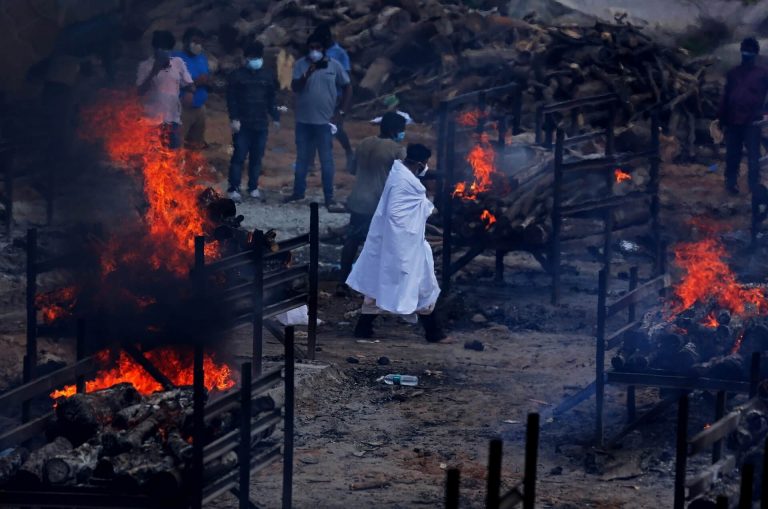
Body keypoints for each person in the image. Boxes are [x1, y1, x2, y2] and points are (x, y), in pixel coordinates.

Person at [346, 144, 446, 342]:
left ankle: (364, 329)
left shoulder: (400, 174)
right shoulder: (405, 182)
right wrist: (426, 208)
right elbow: (397, 215)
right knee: (423, 285)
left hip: (397, 241)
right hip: (402, 244)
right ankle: (434, 334)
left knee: (382, 284)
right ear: (420, 163)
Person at [337, 112, 407, 296]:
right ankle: (375, 285)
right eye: (402, 130)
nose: (403, 133)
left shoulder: (364, 143)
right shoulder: (397, 150)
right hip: (377, 203)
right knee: (380, 245)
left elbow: (352, 169)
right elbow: (405, 179)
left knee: (352, 241)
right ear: (395, 130)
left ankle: (342, 281)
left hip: (357, 199)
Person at [286, 33, 351, 210]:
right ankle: (298, 192)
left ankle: (329, 197)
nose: (314, 51)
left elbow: (347, 87)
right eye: (311, 48)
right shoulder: (301, 65)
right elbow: (295, 87)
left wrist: (341, 112)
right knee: (302, 159)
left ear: (323, 49)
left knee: (326, 160)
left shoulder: (334, 65)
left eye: (318, 48)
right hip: (304, 121)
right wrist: (308, 73)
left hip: (325, 122)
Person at [226, 42, 281, 202]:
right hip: (242, 124)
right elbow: (232, 99)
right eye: (252, 57)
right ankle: (234, 188)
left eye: (257, 57)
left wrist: (276, 117)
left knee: (257, 158)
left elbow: (271, 99)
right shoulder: (236, 76)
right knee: (239, 157)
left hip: (261, 124)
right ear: (245, 58)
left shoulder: (268, 75)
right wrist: (234, 118)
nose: (255, 60)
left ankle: (253, 187)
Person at [718, 37, 768, 195]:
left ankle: (754, 186)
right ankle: (730, 184)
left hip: (753, 121)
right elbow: (726, 96)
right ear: (741, 52)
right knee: (732, 155)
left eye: (750, 51)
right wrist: (721, 118)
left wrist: (765, 113)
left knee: (754, 156)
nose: (747, 53)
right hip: (733, 120)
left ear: (756, 53)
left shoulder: (763, 74)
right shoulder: (733, 73)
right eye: (745, 50)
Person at [136, 30, 194, 149]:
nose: (165, 52)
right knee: (152, 156)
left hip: (173, 119)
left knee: (172, 155)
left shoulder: (178, 63)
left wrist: (190, 92)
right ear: (155, 49)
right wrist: (154, 71)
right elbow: (140, 91)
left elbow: (189, 84)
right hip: (152, 120)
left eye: (167, 48)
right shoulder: (145, 66)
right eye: (161, 48)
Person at [313, 23, 355, 172]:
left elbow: (347, 80)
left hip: (334, 97)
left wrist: (344, 106)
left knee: (333, 128)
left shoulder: (339, 54)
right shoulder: (318, 51)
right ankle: (314, 161)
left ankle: (347, 152)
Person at [173, 27, 210, 150]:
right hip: (182, 109)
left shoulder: (202, 58)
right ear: (185, 41)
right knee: (176, 145)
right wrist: (195, 82)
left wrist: (208, 82)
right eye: (195, 42)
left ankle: (191, 168)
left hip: (200, 108)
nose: (198, 45)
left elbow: (206, 77)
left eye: (200, 42)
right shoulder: (175, 59)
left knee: (195, 146)